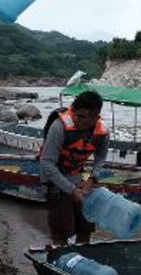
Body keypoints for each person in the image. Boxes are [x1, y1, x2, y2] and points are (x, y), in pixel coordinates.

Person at [38, 90, 109, 246]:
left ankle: (81, 261)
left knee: (86, 227)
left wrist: (93, 178)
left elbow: (101, 157)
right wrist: (71, 190)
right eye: (76, 114)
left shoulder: (102, 131)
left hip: (76, 177)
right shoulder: (59, 126)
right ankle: (58, 260)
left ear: (96, 118)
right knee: (61, 231)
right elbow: (46, 163)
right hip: (54, 180)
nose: (77, 119)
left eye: (84, 117)